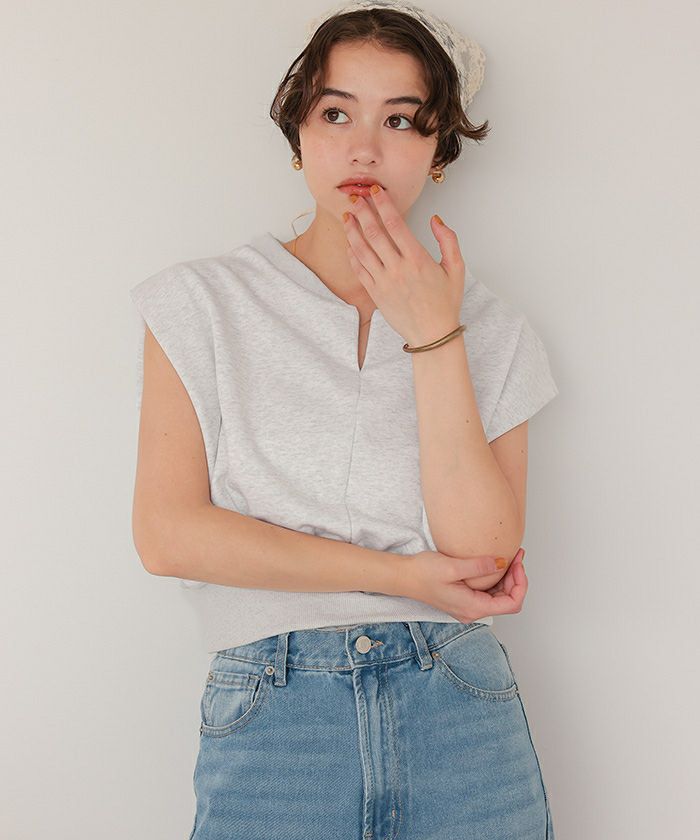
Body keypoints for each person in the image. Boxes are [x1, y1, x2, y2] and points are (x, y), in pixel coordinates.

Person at [129, 2, 558, 838]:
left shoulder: (494, 330)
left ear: (439, 151)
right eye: (336, 113)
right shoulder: (201, 304)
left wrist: (432, 334)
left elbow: (484, 553)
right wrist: (403, 576)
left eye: (400, 120)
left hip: (459, 711)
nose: (364, 149)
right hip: (276, 716)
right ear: (299, 132)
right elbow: (167, 535)